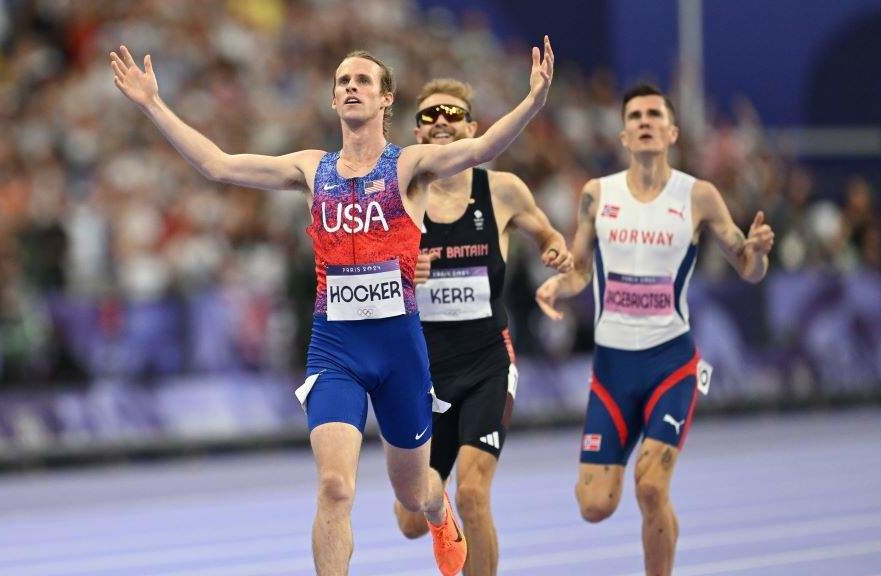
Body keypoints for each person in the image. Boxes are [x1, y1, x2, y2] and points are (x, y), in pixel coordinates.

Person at [110, 37, 555, 576]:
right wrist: (153, 104)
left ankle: (441, 513)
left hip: (400, 352)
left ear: (386, 99)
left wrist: (533, 101)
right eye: (343, 80)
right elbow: (219, 166)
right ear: (332, 99)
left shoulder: (408, 166)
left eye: (363, 80)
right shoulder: (309, 169)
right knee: (334, 486)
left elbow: (479, 149)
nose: (351, 87)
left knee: (414, 493)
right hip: (336, 348)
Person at [535, 84, 774, 576]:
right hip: (611, 371)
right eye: (635, 115)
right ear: (623, 133)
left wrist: (760, 254)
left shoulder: (699, 196)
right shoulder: (597, 194)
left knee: (650, 487)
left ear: (671, 132)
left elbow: (747, 268)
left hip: (671, 364)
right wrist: (559, 285)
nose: (644, 121)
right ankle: (649, 507)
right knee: (594, 505)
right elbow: (579, 268)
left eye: (654, 115)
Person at [391, 78, 572, 576]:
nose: (442, 121)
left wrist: (555, 248)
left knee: (473, 493)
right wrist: (402, 268)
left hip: (487, 363)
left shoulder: (503, 191)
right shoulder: (398, 197)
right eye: (430, 115)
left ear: (473, 128)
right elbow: (359, 267)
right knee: (409, 519)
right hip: (423, 373)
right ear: (416, 133)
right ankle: (432, 504)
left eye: (453, 113)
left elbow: (548, 232)